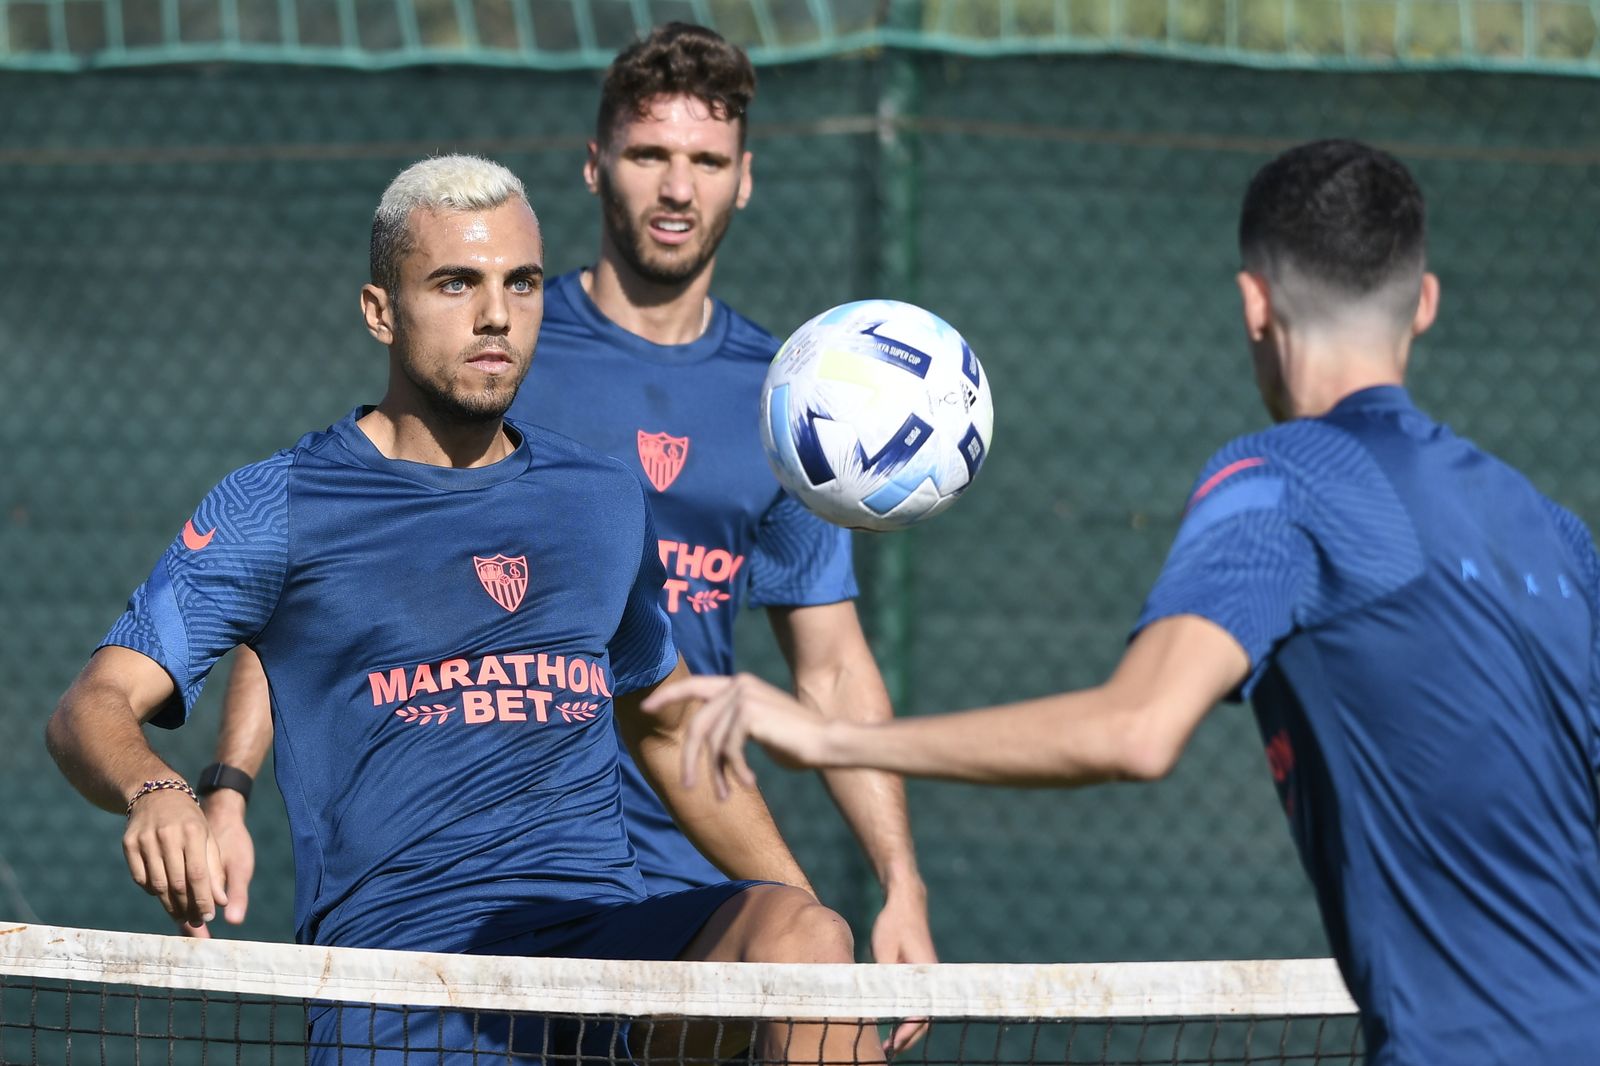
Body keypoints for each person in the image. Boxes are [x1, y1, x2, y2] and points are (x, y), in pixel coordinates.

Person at [648, 139, 1600, 1065]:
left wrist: (831, 739)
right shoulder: (1553, 529)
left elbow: (1137, 730)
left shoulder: (1283, 482)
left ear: (1254, 304)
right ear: (1424, 302)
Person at [45, 154, 880, 1066]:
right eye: (455, 283)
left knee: (803, 941)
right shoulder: (279, 503)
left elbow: (669, 726)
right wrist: (162, 791)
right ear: (379, 311)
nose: (496, 314)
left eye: (521, 283)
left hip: (604, 966)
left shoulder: (599, 496)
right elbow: (90, 706)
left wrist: (826, 958)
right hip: (401, 994)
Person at [194, 22, 935, 1043]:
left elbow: (834, 666)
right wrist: (226, 783)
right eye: (649, 156)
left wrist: (897, 882)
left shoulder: (788, 404)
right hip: (470, 899)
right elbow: (312, 582)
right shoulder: (492, 351)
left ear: (745, 180)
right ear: (595, 167)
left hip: (685, 885)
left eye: (707, 162)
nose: (677, 189)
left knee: (810, 960)